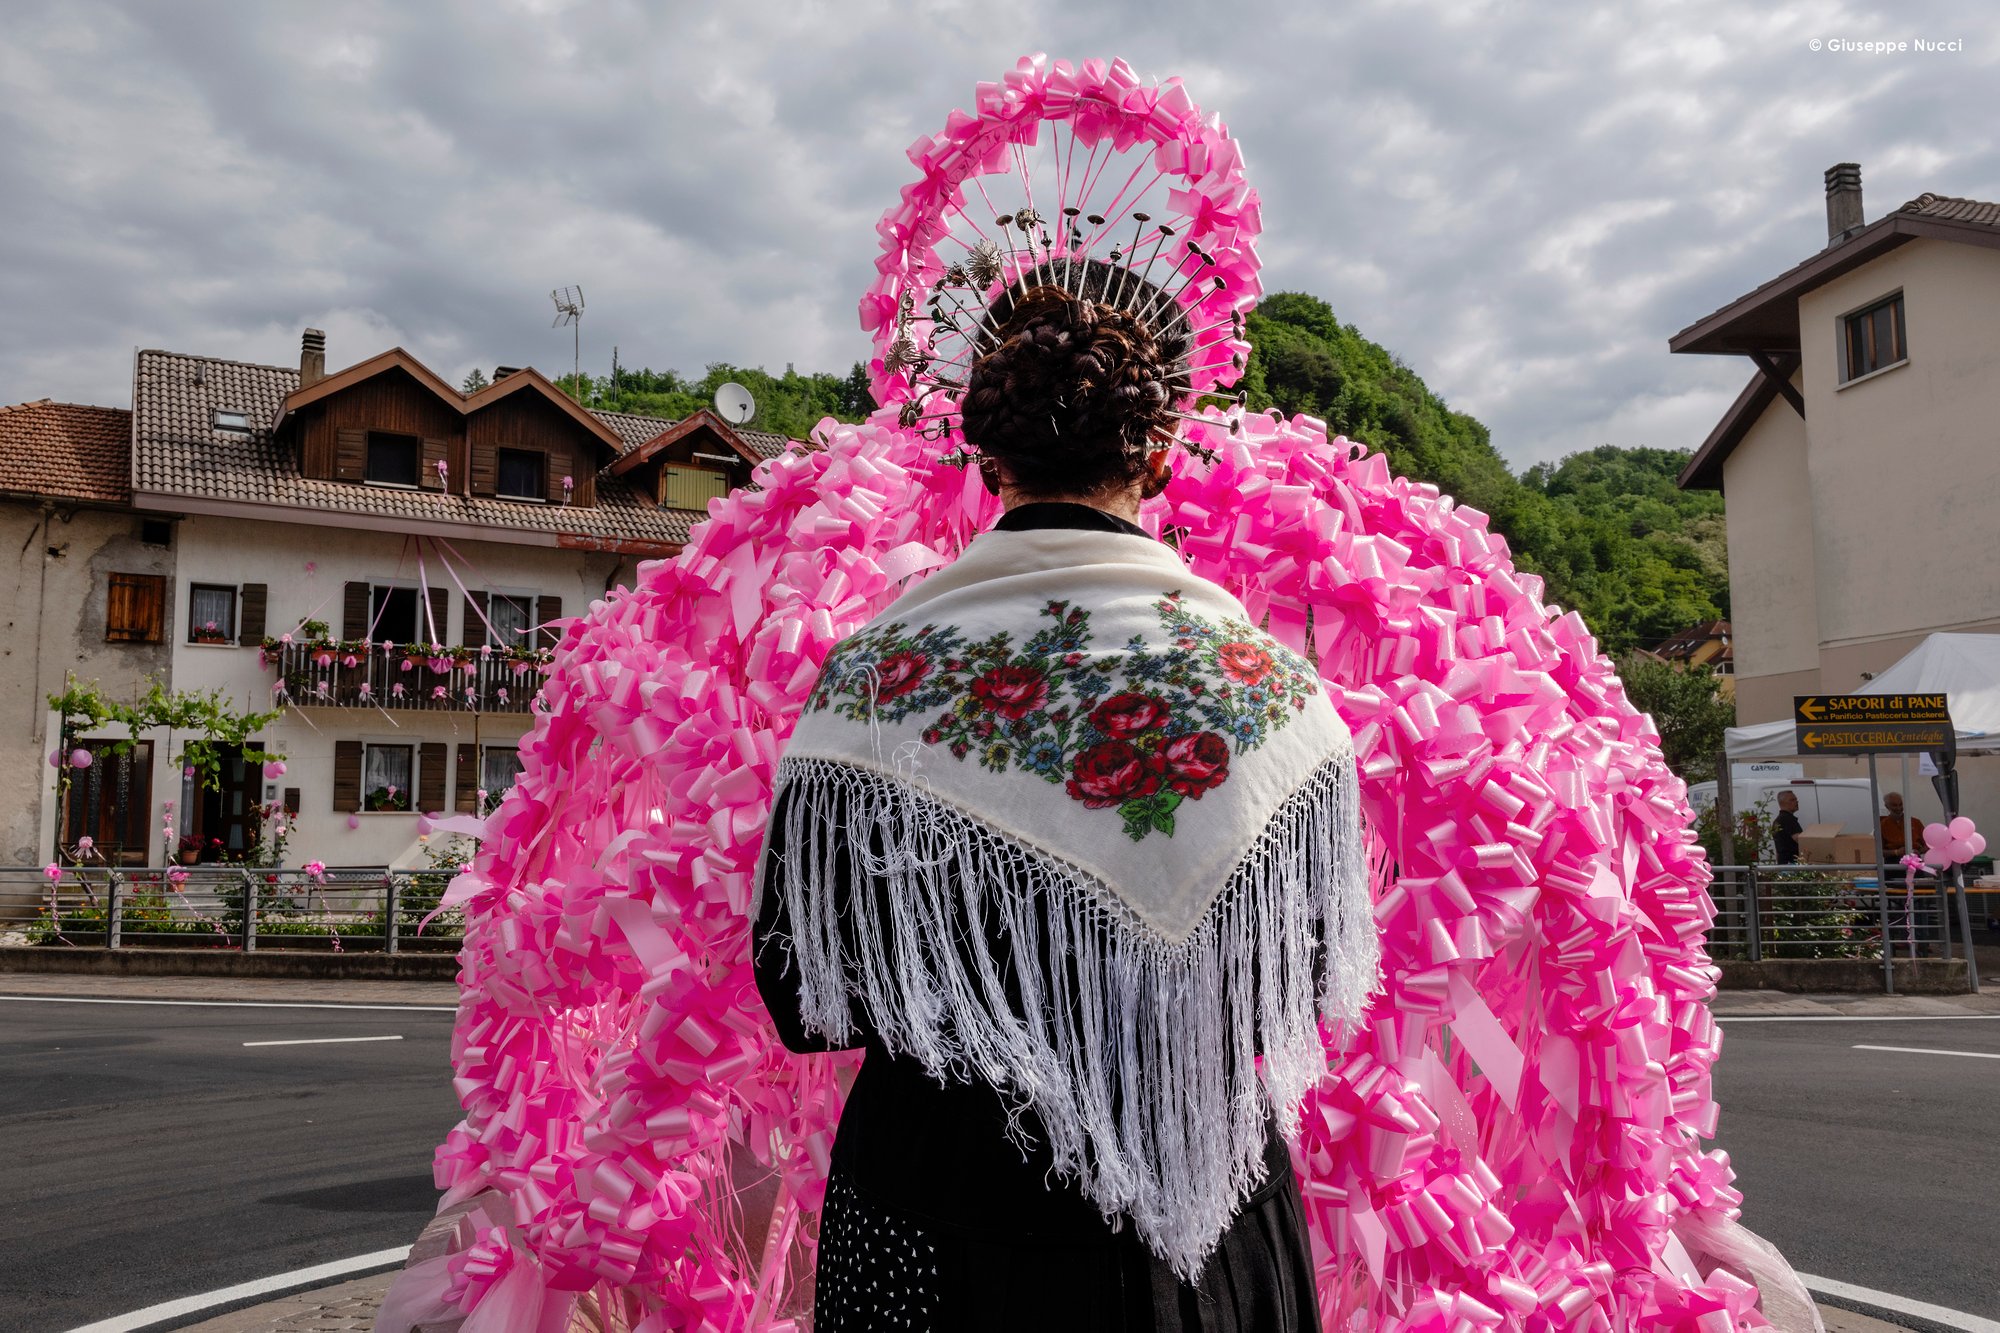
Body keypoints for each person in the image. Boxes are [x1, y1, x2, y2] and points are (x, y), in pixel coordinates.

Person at [751, 259, 1380, 1331]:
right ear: (1161, 451)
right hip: (1206, 1230)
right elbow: (1308, 986)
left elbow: (802, 992)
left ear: (988, 456)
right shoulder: (1272, 693)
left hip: (934, 1221)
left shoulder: (873, 678)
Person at [1772, 789, 1803, 864]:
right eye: (1792, 800)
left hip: (1783, 863)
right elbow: (1799, 839)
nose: (1796, 802)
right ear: (1782, 803)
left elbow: (1778, 848)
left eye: (1796, 799)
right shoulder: (1788, 819)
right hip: (1792, 863)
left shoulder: (1777, 821)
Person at [1880, 791, 1914, 857]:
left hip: (1915, 860)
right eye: (1894, 805)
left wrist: (1918, 851)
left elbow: (1927, 845)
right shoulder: (1882, 825)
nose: (1898, 808)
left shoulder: (1915, 822)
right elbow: (1876, 850)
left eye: (1900, 804)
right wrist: (1895, 852)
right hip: (1893, 861)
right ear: (1887, 806)